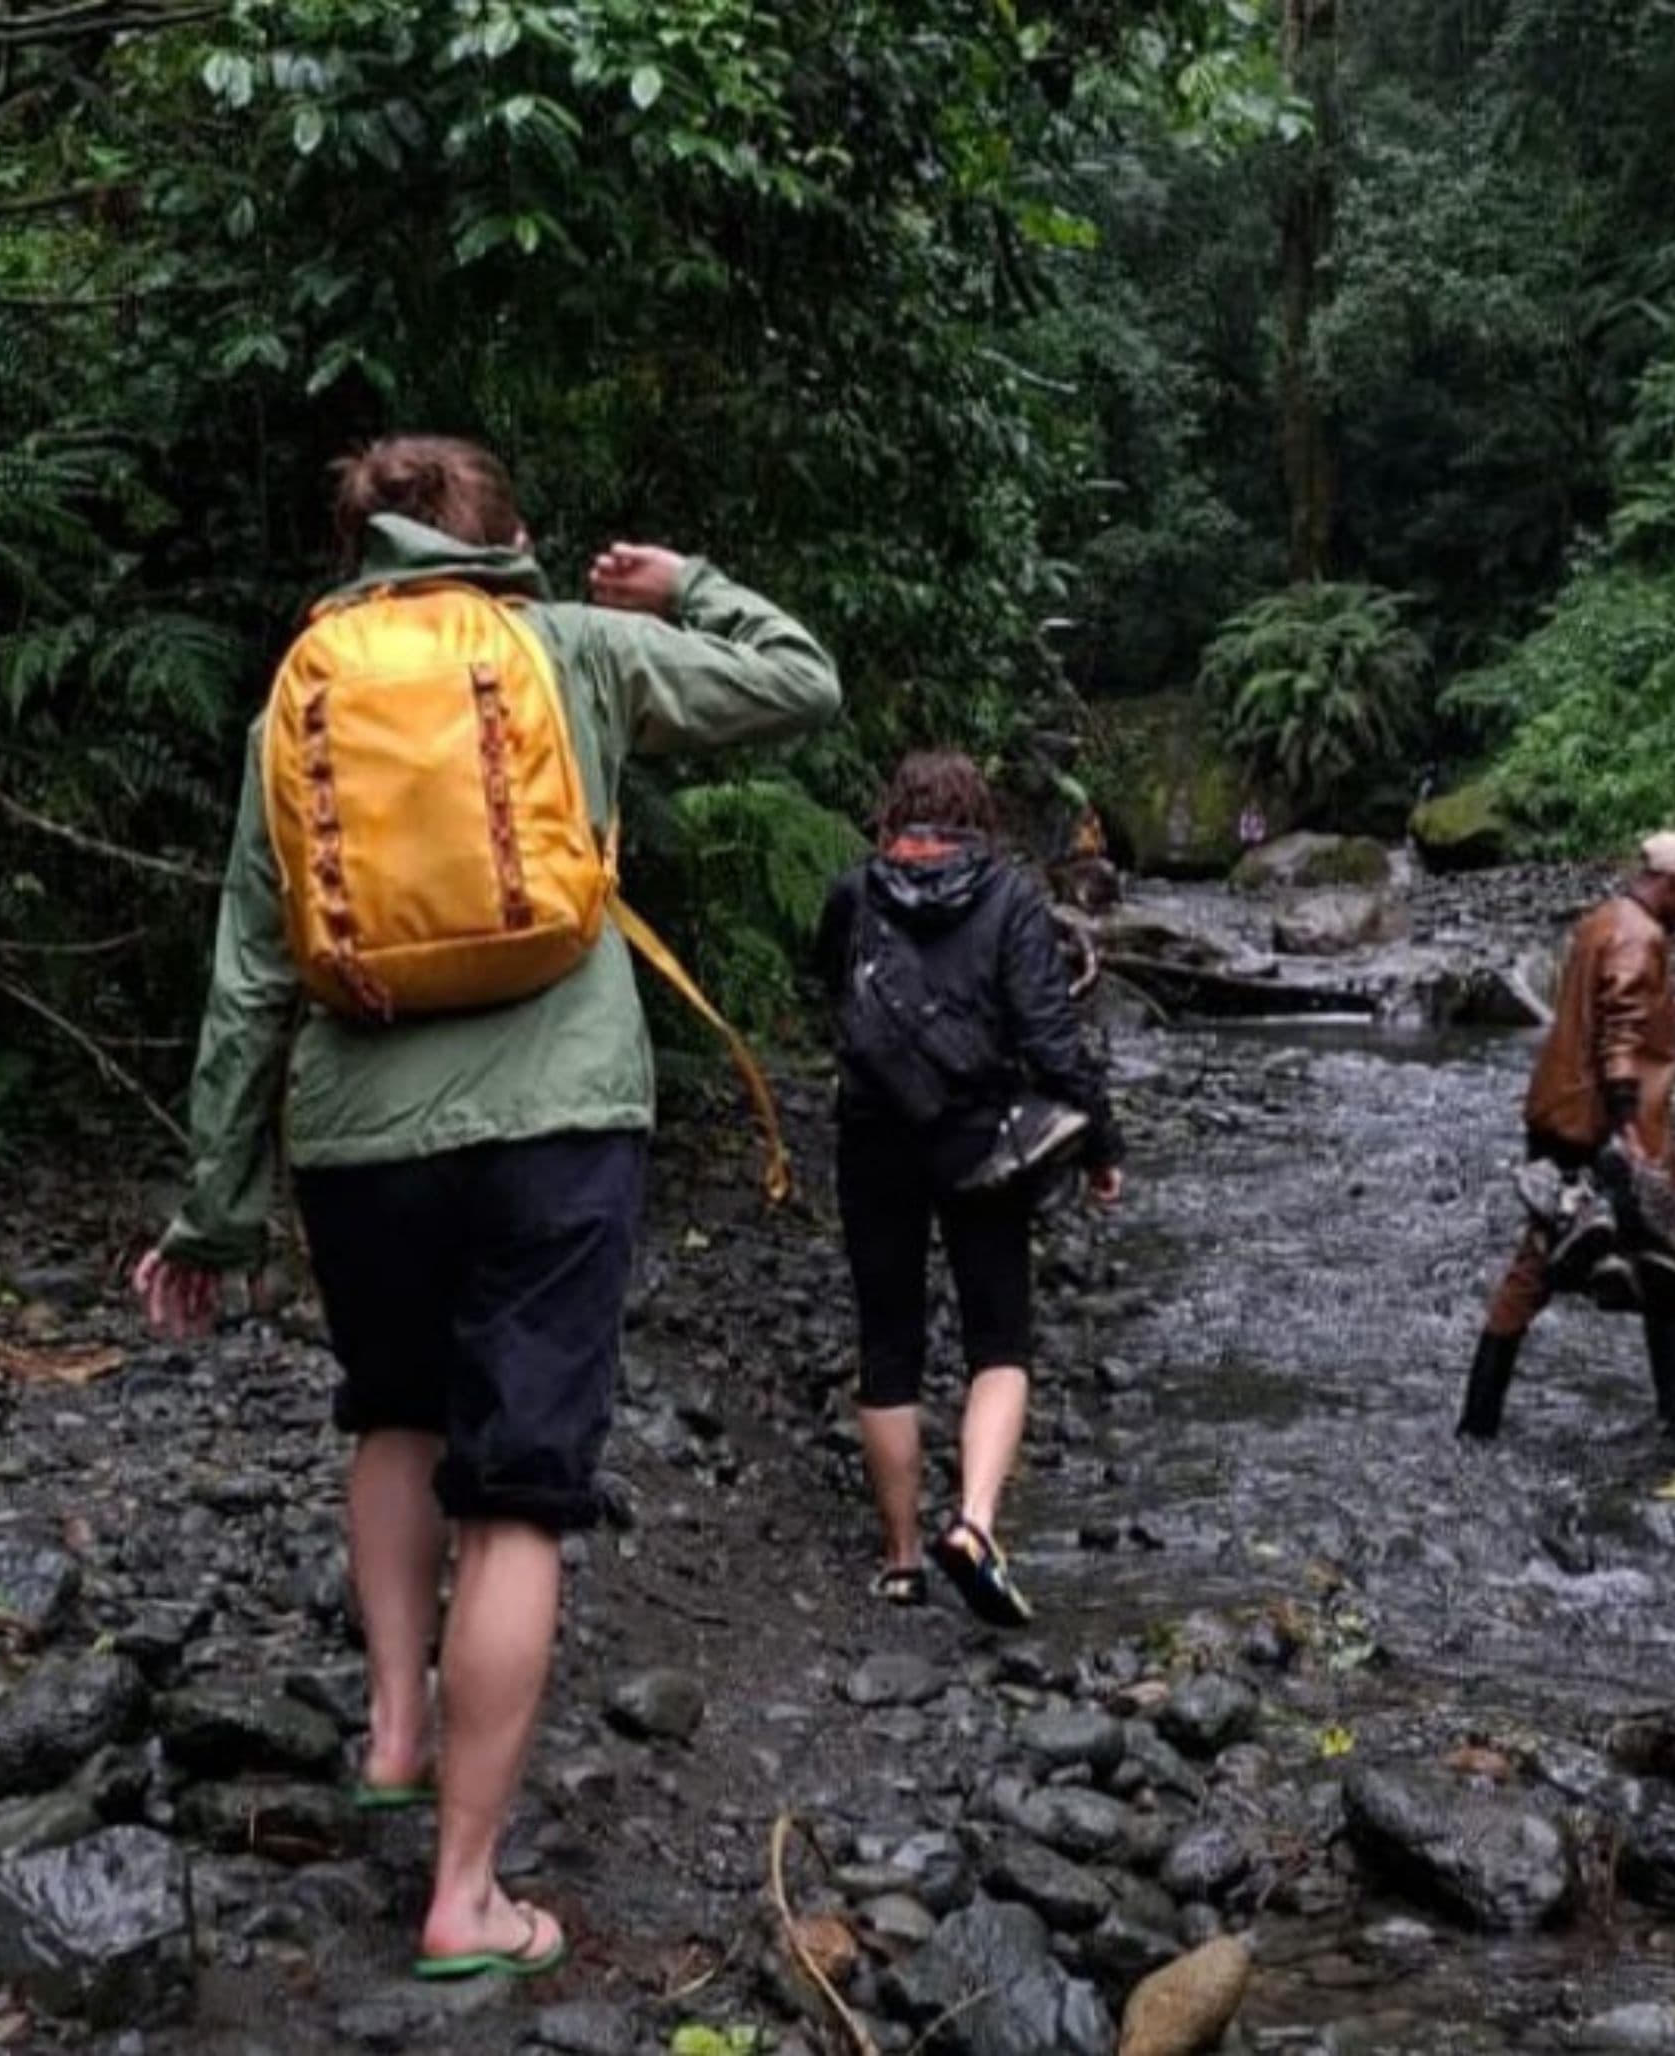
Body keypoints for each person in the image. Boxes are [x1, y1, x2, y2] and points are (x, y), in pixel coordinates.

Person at [132, 434, 839, 1983]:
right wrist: (688, 585)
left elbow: (249, 973)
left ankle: (392, 1731)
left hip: (356, 1129)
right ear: (505, 535)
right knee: (517, 1489)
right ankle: (465, 1895)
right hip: (560, 1117)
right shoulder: (572, 649)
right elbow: (802, 682)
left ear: (360, 545)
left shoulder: (298, 694)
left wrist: (215, 1214)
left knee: (391, 1412)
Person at [815, 751, 1125, 1627]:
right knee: (999, 1339)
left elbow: (830, 992)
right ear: (978, 821)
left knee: (889, 1338)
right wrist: (1101, 1144)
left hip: (873, 1135)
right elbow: (1052, 1039)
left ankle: (903, 1558)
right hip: (980, 1141)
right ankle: (977, 1526)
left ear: (893, 818)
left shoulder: (855, 893)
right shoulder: (1011, 898)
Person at [1457, 830, 1675, 1443]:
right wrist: (1626, 1140)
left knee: (1576, 1263)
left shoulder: (1605, 921)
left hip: (1561, 1115)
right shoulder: (1642, 935)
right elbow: (1618, 1036)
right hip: (1604, 1131)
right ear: (1674, 883)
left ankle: (1480, 1419)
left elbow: (1609, 998)